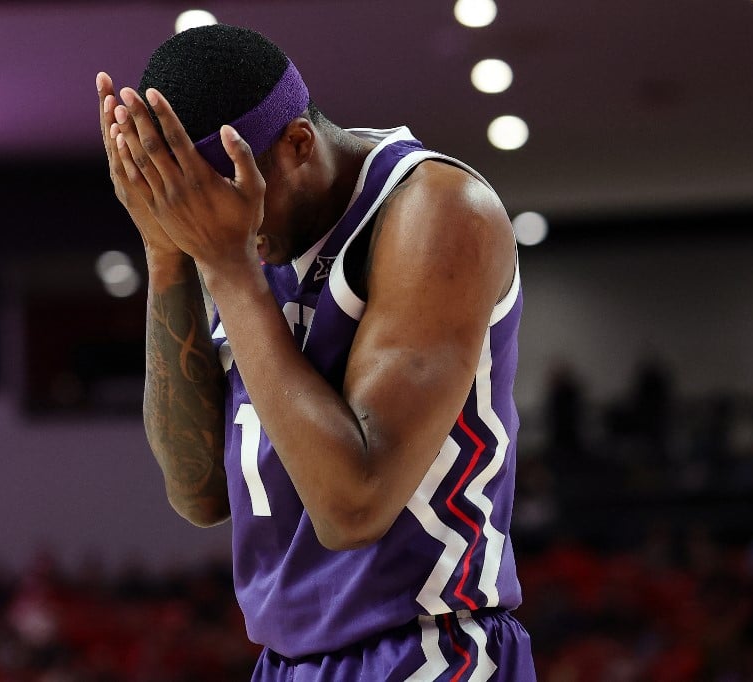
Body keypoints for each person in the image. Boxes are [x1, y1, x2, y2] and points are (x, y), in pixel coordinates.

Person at [97, 24, 536, 681]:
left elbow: (353, 506)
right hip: (287, 662)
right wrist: (167, 255)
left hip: (428, 650)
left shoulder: (437, 211)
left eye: (224, 197)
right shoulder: (240, 245)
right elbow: (198, 494)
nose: (213, 220)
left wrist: (227, 267)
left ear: (298, 144)